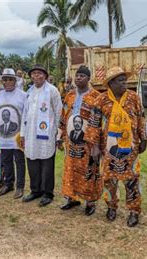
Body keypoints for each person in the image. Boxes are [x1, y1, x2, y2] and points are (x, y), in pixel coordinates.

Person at [85, 66, 147, 227]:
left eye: (125, 80)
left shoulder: (133, 97)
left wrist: (144, 138)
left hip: (131, 148)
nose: (124, 83)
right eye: (120, 80)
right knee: (108, 180)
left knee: (131, 180)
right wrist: (95, 147)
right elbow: (93, 123)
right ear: (111, 83)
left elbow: (141, 118)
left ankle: (134, 210)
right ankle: (111, 206)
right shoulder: (101, 99)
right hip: (108, 149)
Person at [58, 65, 102, 216]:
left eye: (82, 76)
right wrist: (59, 136)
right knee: (70, 169)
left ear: (89, 79)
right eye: (77, 75)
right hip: (71, 141)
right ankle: (71, 198)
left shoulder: (96, 96)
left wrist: (96, 144)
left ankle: (90, 202)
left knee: (88, 171)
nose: (78, 78)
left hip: (88, 143)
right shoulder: (69, 95)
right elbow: (63, 117)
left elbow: (98, 121)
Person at [21, 64, 62, 207]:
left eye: (39, 73)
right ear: (31, 76)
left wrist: (58, 133)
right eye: (34, 73)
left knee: (46, 164)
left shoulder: (52, 90)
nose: (36, 76)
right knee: (32, 161)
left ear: (45, 75)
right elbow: (25, 114)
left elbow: (58, 112)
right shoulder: (29, 92)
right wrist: (22, 134)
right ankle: (35, 190)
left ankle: (47, 193)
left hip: (47, 133)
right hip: (30, 134)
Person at [0, 68, 27, 198]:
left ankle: (20, 187)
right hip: (2, 136)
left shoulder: (23, 95)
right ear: (2, 81)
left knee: (19, 161)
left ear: (15, 81)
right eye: (5, 80)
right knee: (6, 160)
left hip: (18, 136)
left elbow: (26, 116)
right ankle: (8, 183)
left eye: (10, 79)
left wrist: (23, 134)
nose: (8, 82)